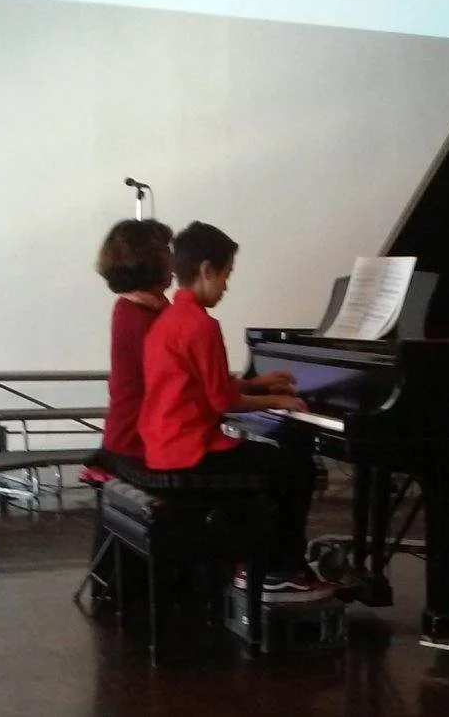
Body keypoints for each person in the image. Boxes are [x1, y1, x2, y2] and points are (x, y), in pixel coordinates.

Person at [139, 221, 333, 603]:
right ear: (207, 270)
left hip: (164, 446)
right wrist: (278, 401)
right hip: (190, 452)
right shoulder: (201, 326)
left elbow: (200, 386)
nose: (227, 285)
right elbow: (222, 403)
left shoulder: (170, 320)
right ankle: (282, 569)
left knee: (279, 463)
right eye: (227, 275)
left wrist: (257, 385)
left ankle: (258, 557)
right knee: (296, 468)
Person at [93, 217, 173, 469]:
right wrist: (253, 395)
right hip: (137, 445)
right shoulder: (142, 318)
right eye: (165, 251)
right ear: (147, 262)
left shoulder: (135, 307)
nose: (172, 259)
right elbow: (187, 382)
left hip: (132, 439)